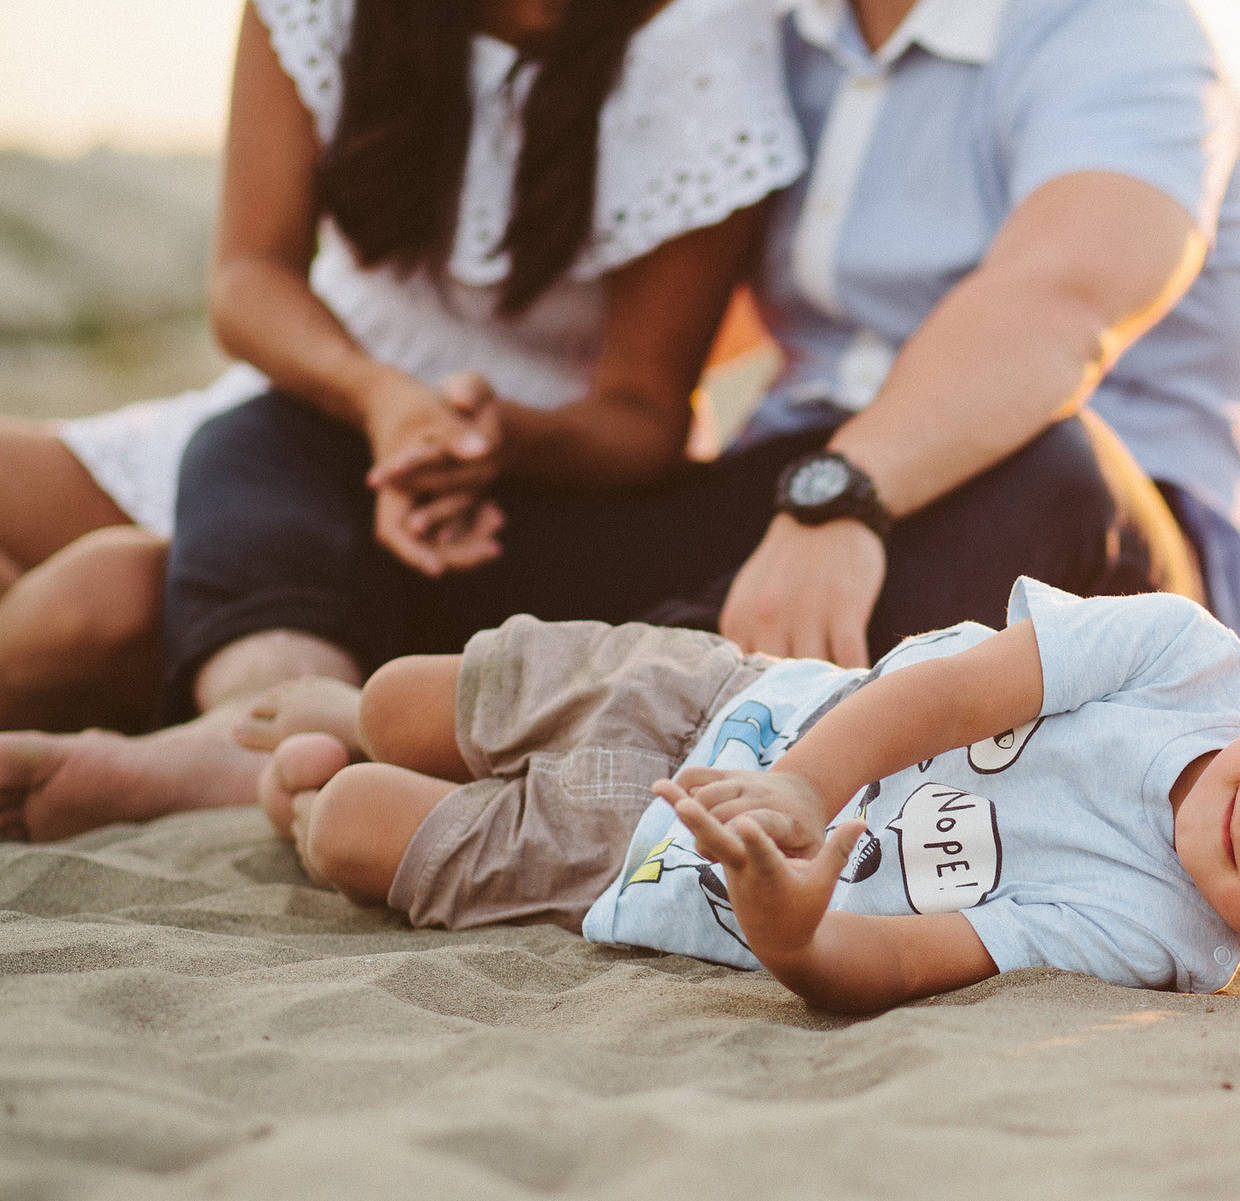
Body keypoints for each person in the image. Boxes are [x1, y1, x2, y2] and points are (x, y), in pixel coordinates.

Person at [0, 0, 805, 837]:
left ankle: (249, 721)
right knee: (180, 496)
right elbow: (247, 281)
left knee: (104, 598)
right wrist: (378, 395)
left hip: (524, 479)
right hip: (310, 404)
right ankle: (228, 712)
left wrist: (492, 437)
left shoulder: (704, 34)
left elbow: (644, 414)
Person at [253, 579, 1240, 1012]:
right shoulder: (1188, 661)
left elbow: (916, 952)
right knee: (402, 702)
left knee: (355, 825)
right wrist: (800, 780)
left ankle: (287, 787)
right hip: (716, 700)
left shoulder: (1158, 940)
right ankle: (316, 715)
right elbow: (949, 694)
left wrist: (793, 925)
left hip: (653, 864)